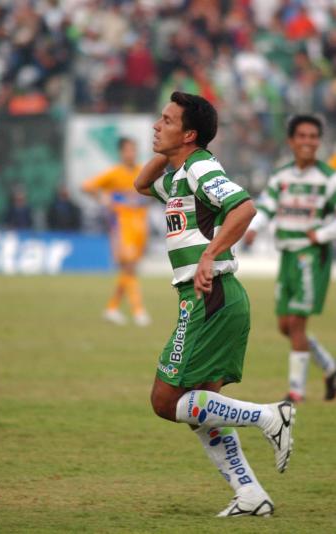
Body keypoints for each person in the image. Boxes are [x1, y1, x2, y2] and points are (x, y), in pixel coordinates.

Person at [134, 91, 296, 517]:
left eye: (166, 121)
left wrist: (209, 254)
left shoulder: (202, 166)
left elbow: (243, 207)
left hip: (211, 295)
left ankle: (269, 416)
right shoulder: (180, 174)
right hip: (214, 299)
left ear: (189, 134)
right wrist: (170, 152)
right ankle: (250, 496)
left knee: (166, 401)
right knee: (201, 408)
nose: (156, 125)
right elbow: (140, 184)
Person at [245, 114, 336, 402]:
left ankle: (296, 391)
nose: (308, 142)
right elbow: (267, 206)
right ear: (292, 141)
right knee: (285, 326)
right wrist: (253, 230)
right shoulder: (281, 176)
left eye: (313, 136)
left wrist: (320, 235)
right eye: (303, 136)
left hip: (311, 256)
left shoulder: (327, 178)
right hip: (286, 255)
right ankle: (330, 367)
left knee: (296, 323)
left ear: (319, 142)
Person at [82, 137, 151, 326]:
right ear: (121, 153)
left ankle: (112, 308)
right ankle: (138, 311)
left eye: (134, 150)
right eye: (128, 150)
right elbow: (87, 186)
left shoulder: (142, 172)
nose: (131, 154)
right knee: (128, 267)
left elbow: (152, 193)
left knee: (130, 270)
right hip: (122, 226)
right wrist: (104, 201)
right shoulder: (114, 174)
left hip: (140, 227)